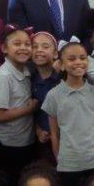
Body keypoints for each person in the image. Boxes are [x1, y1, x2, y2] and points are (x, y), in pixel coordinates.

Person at [43, 42, 94, 186]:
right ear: (62, 65)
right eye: (71, 59)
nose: (78, 62)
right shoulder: (54, 95)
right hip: (69, 163)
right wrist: (60, 158)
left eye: (82, 58)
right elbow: (54, 133)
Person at [0, 26, 38, 186]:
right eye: (17, 44)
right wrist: (29, 109)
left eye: (27, 44)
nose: (23, 48)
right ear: (4, 48)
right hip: (7, 144)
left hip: (25, 141)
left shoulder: (27, 71)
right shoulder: (4, 75)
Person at [29, 31, 61, 160]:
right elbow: (34, 112)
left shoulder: (62, 78)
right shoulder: (30, 79)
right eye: (35, 46)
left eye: (45, 46)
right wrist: (38, 131)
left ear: (55, 53)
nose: (39, 50)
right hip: (44, 140)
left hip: (65, 139)